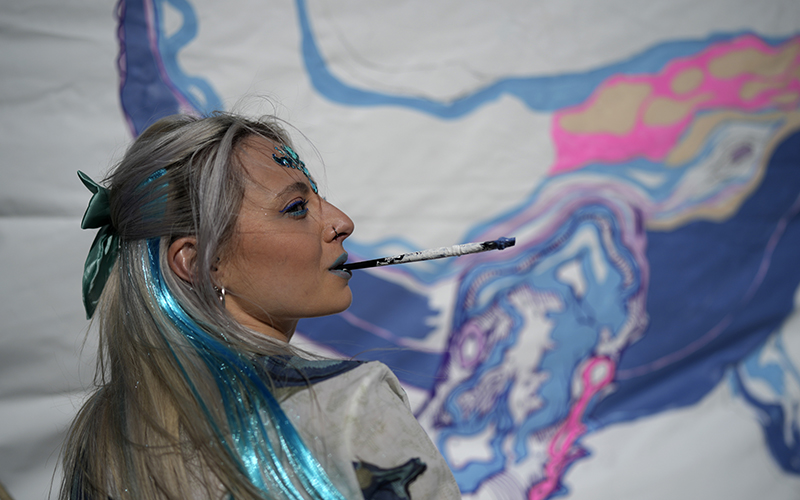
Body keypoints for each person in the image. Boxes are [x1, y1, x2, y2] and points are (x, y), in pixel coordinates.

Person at [61, 112, 461, 500]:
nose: (342, 222)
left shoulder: (104, 434)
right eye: (296, 208)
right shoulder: (350, 403)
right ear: (202, 262)